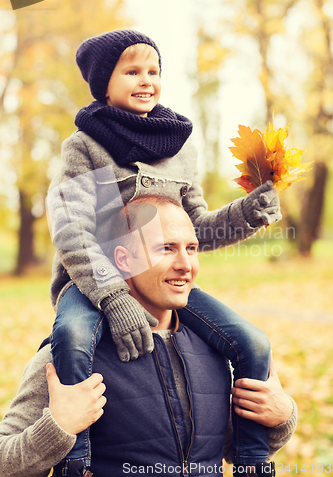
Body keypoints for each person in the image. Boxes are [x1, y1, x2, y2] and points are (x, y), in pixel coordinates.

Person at [46, 29, 282, 475]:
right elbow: (72, 230)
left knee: (253, 343)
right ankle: (75, 463)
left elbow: (195, 230)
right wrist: (113, 299)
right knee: (73, 338)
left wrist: (249, 211)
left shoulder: (179, 150)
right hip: (93, 283)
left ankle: (253, 462)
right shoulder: (85, 148)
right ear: (104, 84)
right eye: (132, 71)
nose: (146, 79)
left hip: (158, 281)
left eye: (154, 70)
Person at [0, 198, 296, 477]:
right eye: (166, 248)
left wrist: (281, 417)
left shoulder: (216, 347)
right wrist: (57, 427)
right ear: (124, 259)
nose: (186, 265)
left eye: (191, 248)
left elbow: (230, 448)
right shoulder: (70, 356)